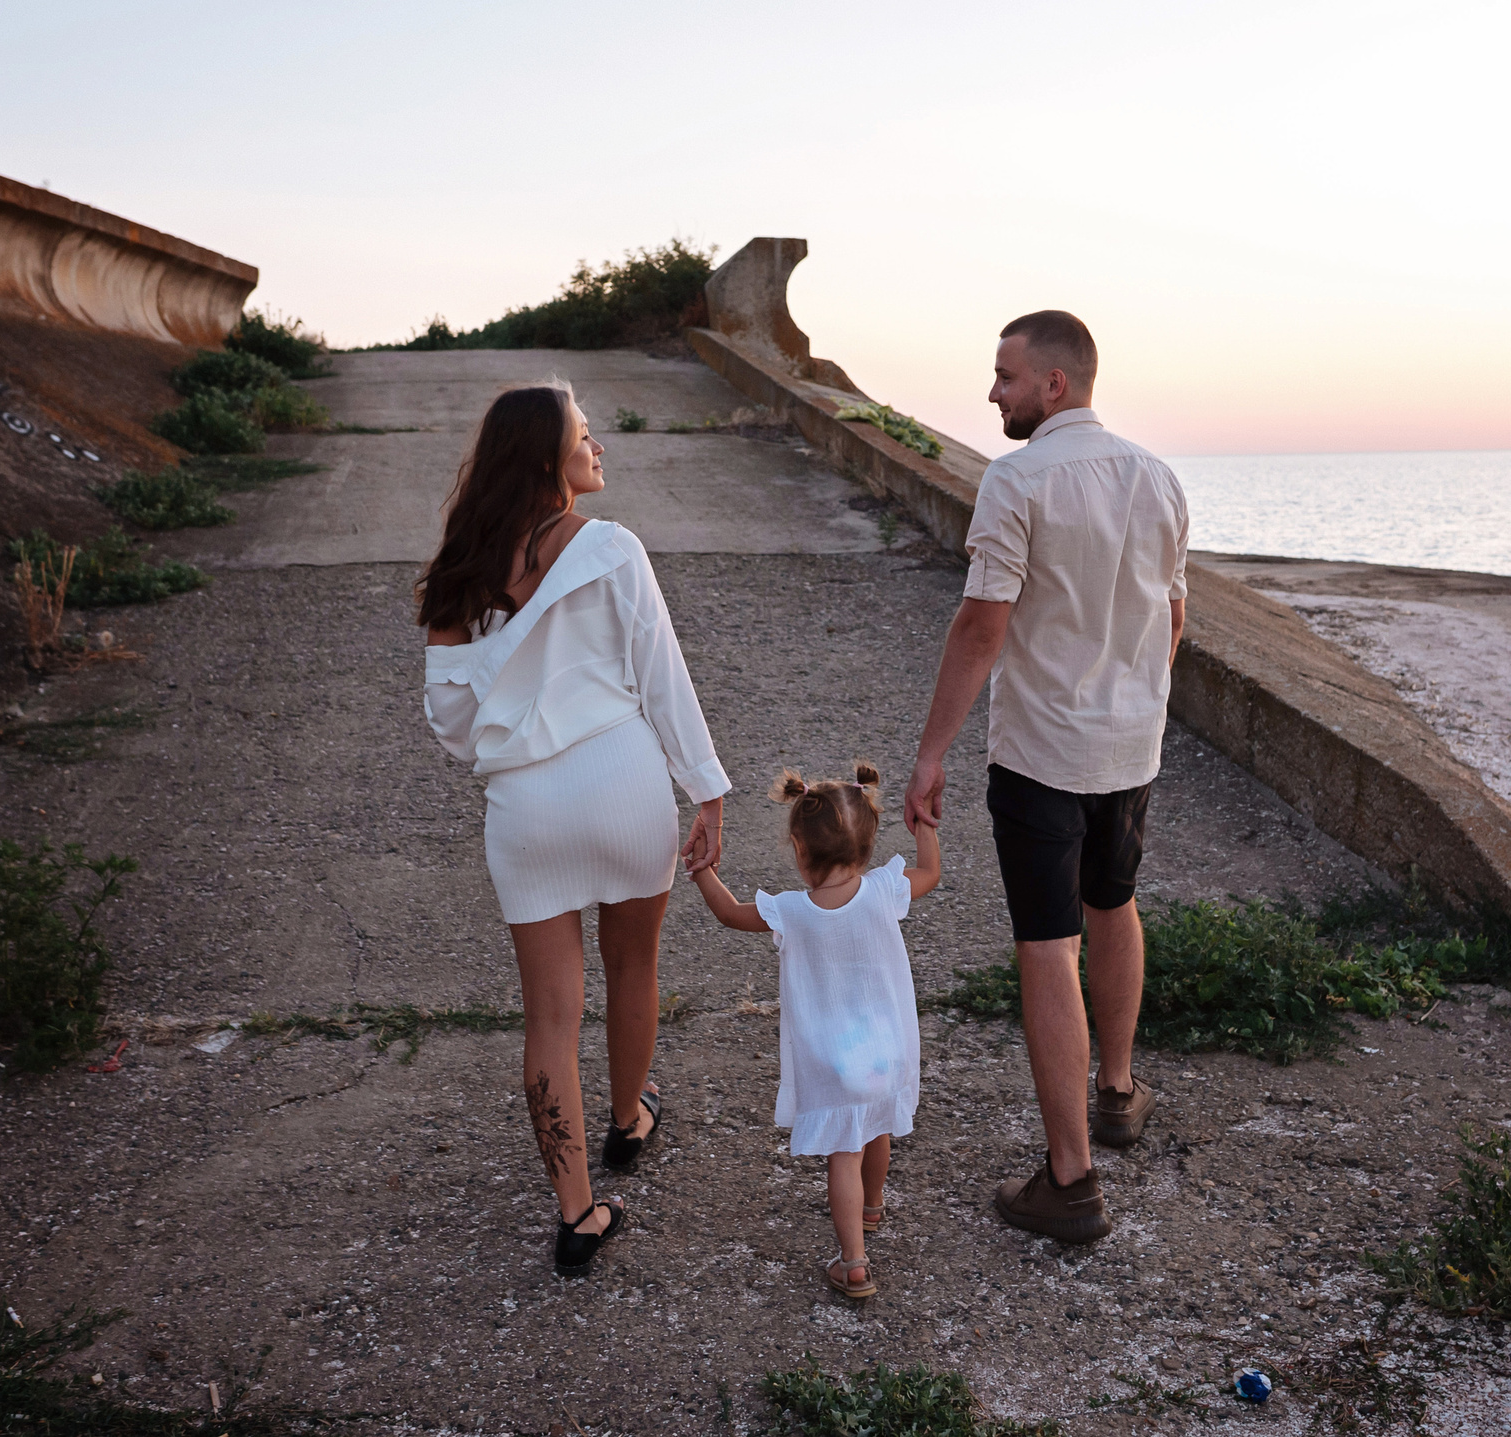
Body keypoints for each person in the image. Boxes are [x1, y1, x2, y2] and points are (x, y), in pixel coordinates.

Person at [418, 382, 730, 1276]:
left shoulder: (461, 568)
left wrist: (510, 733)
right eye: (586, 436)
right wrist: (705, 791)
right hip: (624, 780)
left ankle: (578, 1211)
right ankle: (630, 1119)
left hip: (527, 808)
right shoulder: (610, 546)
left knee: (549, 1018)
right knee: (634, 965)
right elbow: (662, 675)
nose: (601, 448)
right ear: (550, 456)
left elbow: (446, 718)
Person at [904, 310, 1190, 1245]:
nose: (993, 392)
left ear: (1054, 385)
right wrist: (1136, 698)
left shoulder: (1017, 478)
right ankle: (1116, 1091)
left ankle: (1070, 1180)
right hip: (1130, 748)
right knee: (1114, 901)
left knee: (1046, 944)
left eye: (1005, 377)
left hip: (1042, 752)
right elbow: (1174, 617)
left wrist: (932, 750)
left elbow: (983, 625)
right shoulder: (1159, 478)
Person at [687, 762, 942, 1299]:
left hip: (833, 1058)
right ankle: (873, 1208)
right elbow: (931, 875)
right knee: (878, 1128)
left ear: (800, 853)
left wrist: (701, 868)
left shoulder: (792, 912)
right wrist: (927, 830)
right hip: (886, 1046)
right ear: (868, 848)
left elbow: (731, 914)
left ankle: (853, 1262)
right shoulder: (882, 891)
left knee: (842, 1154)